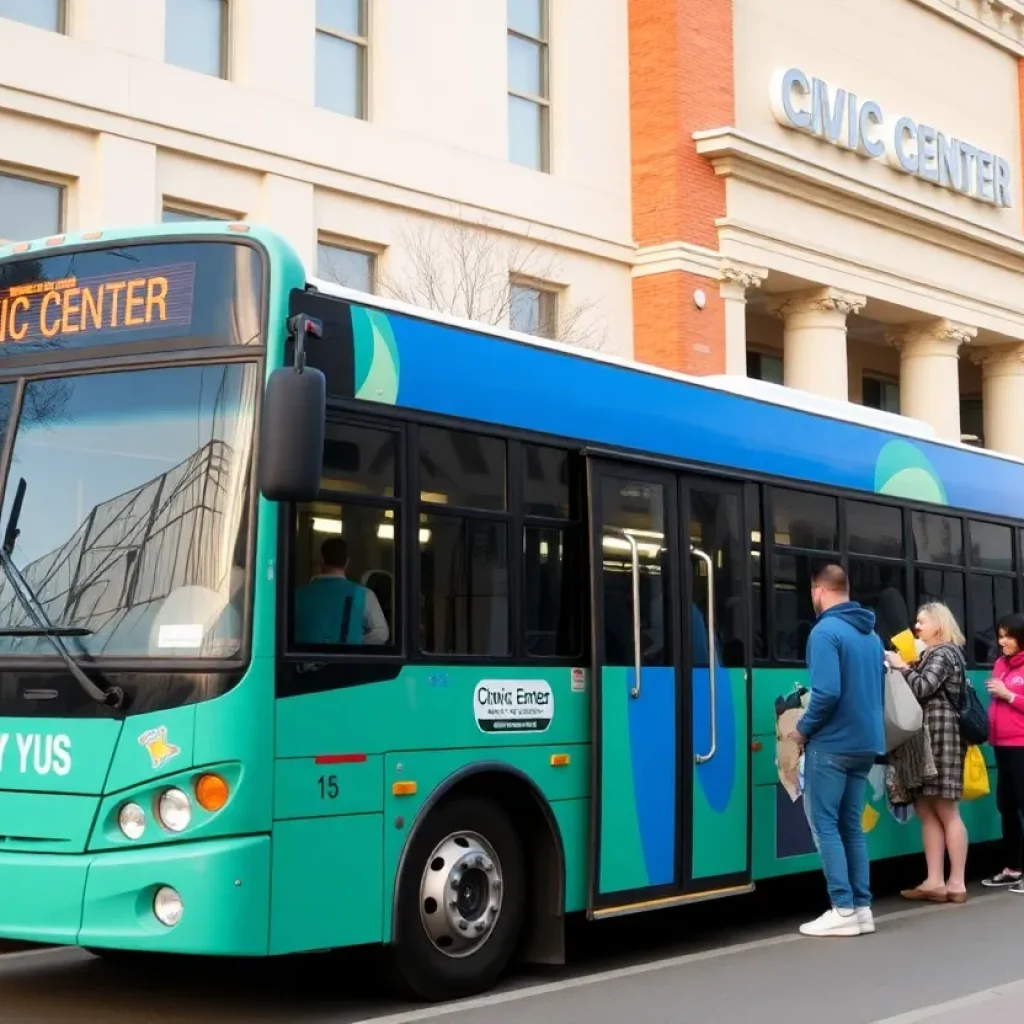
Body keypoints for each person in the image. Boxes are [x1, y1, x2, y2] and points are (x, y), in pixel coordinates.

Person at [788, 564, 886, 938]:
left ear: (818, 590)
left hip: (832, 744)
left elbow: (826, 692)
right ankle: (862, 909)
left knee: (824, 825)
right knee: (851, 827)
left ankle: (842, 907)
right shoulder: (871, 635)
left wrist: (801, 730)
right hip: (865, 744)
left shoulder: (825, 631)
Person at [885, 603, 969, 904]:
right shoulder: (932, 654)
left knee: (946, 809)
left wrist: (902, 666)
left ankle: (955, 882)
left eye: (922, 621)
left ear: (938, 624)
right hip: (927, 738)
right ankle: (935, 880)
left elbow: (922, 687)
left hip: (941, 735)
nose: (916, 627)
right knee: (926, 809)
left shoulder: (943, 653)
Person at [981, 612, 1024, 892]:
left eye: (1009, 635)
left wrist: (1008, 694)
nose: (1002, 640)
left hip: (1021, 744)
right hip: (1001, 744)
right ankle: (1013, 867)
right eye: (1000, 635)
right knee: (1006, 806)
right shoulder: (999, 664)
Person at [294, 536, 389, 646]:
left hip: (306, 662)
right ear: (347, 562)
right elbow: (381, 634)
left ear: (322, 561)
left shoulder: (298, 595)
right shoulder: (364, 595)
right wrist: (355, 643)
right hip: (348, 661)